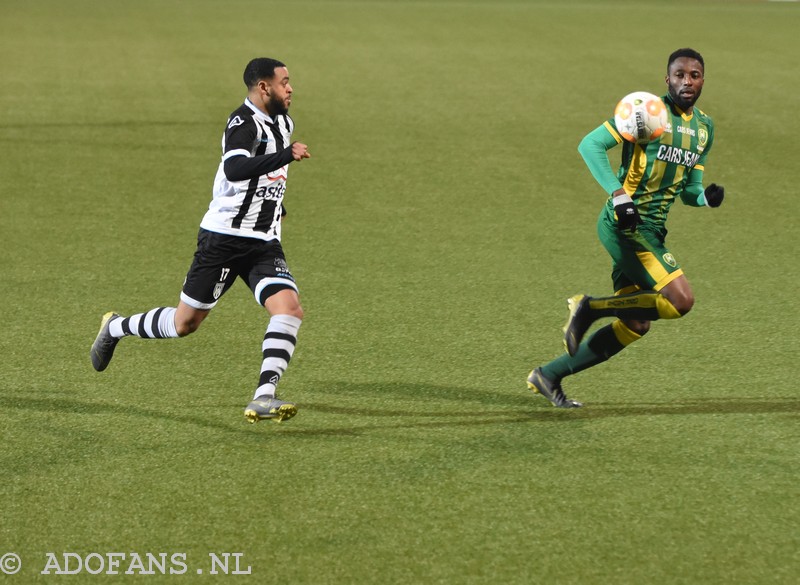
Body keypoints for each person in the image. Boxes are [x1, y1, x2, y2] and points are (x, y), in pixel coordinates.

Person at [91, 58, 311, 423]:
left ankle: (264, 395)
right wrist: (285, 155)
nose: (290, 88)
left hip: (264, 241)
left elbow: (266, 173)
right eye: (284, 82)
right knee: (184, 324)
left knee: (289, 309)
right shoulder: (243, 123)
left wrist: (277, 201)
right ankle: (115, 327)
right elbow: (234, 169)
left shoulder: (283, 123)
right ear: (263, 87)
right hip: (223, 239)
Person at [527, 48, 725, 408]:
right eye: (679, 75)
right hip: (626, 224)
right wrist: (618, 195)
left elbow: (690, 191)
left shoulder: (704, 129)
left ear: (702, 80)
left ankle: (549, 374)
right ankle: (590, 308)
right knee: (681, 301)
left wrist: (707, 199)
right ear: (667, 79)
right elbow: (590, 145)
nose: (687, 82)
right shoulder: (646, 110)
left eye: (694, 75)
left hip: (654, 229)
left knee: (635, 324)